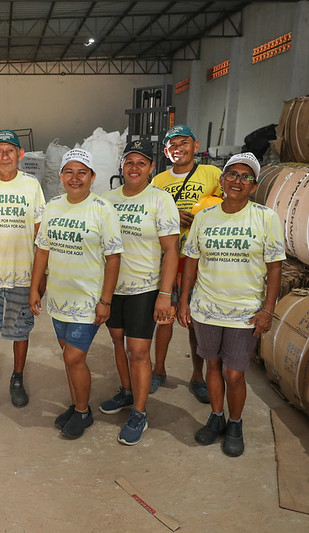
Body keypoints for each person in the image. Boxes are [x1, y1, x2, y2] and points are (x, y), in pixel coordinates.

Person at [176, 152, 284, 457]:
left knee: (234, 373)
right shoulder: (205, 218)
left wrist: (268, 309)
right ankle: (216, 416)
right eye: (232, 174)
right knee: (212, 365)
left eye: (245, 176)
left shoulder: (265, 217)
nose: (237, 180)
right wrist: (184, 301)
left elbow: (275, 267)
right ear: (222, 180)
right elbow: (191, 262)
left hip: (245, 312)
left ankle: (235, 423)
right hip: (207, 307)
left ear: (254, 185)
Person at [29, 148, 122, 440]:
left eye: (82, 172)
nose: (75, 178)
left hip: (88, 301)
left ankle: (83, 411)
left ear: (92, 177)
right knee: (68, 356)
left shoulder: (102, 209)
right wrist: (35, 288)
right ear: (60, 176)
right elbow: (42, 250)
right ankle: (75, 404)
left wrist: (106, 301)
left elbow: (114, 258)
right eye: (69, 171)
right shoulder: (53, 207)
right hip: (59, 297)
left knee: (73, 358)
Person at [99, 139, 180, 445]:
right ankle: (127, 391)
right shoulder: (107, 200)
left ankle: (140, 412)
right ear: (122, 166)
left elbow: (172, 249)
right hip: (113, 288)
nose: (134, 168)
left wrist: (165, 293)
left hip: (144, 288)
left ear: (151, 168)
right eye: (129, 162)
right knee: (117, 341)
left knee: (139, 351)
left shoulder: (160, 200)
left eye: (141, 163)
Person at [0, 129, 46, 409]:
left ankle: (17, 378)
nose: (5, 156)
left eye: (10, 150)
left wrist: (41, 278)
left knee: (20, 330)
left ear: (20, 154)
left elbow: (42, 236)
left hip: (21, 275)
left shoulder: (31, 186)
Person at [150, 125, 222, 402]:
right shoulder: (157, 181)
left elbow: (227, 205)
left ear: (196, 145)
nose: (178, 148)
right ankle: (158, 370)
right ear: (166, 151)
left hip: (200, 260)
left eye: (184, 142)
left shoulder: (212, 174)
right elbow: (150, 215)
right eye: (172, 144)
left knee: (195, 320)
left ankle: (197, 375)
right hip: (168, 259)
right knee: (165, 316)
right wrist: (172, 215)